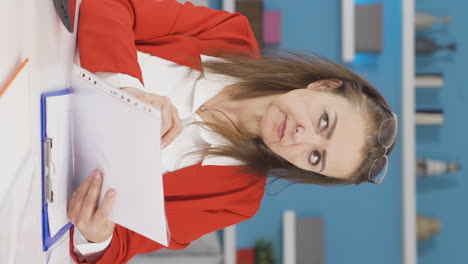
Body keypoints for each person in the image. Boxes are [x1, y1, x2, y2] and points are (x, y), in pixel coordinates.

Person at [67, 0, 398, 263]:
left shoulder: (236, 200)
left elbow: (116, 245)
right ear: (323, 85)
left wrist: (96, 235)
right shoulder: (229, 34)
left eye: (315, 156)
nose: (301, 136)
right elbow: (113, 4)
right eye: (324, 121)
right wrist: (123, 89)